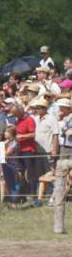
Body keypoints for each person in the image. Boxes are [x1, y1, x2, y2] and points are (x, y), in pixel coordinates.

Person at [50, 98, 72, 233]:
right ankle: (58, 196)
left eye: (62, 107)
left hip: (70, 148)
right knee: (62, 174)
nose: (60, 109)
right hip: (64, 147)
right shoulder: (63, 118)